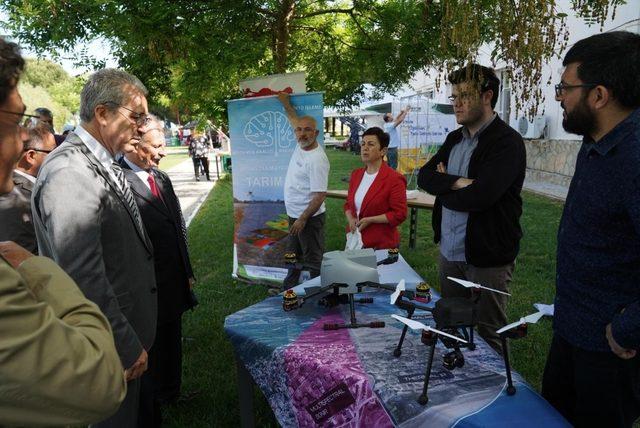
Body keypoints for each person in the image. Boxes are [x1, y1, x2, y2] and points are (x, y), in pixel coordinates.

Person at [0, 36, 126, 426]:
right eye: (15, 120)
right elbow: (99, 381)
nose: (26, 138)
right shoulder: (69, 171)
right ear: (103, 114)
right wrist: (36, 269)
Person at [32, 68, 157, 427]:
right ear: (102, 114)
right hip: (109, 348)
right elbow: (82, 277)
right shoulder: (70, 172)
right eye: (136, 116)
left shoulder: (100, 162)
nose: (141, 126)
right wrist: (124, 344)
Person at [541, 31, 640, 428]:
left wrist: (628, 329)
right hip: (572, 328)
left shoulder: (635, 158)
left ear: (599, 95)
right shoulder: (595, 140)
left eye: (565, 88)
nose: (559, 97)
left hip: (610, 350)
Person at [417, 64, 526, 353]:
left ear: (488, 96)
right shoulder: (454, 138)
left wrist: (445, 186)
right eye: (454, 97)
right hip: (450, 251)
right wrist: (459, 183)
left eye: (465, 95)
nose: (457, 104)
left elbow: (482, 197)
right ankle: (460, 389)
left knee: (488, 333)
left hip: (487, 257)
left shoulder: (506, 142)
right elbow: (425, 177)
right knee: (452, 326)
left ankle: (498, 394)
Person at [120, 116, 198, 426]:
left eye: (164, 145)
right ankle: (154, 398)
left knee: (172, 337)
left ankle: (171, 391)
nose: (163, 152)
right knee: (152, 344)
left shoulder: (161, 178)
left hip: (173, 277)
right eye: (157, 146)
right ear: (134, 144)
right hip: (147, 283)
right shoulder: (119, 181)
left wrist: (187, 268)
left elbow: (178, 226)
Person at [277, 93, 330, 289]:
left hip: (309, 218)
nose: (302, 133)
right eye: (298, 130)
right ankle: (289, 289)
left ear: (316, 133)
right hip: (295, 215)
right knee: (293, 255)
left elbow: (320, 196)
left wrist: (303, 219)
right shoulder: (301, 143)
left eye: (307, 130)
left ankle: (318, 292)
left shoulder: (317, 160)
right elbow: (293, 118)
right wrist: (284, 101)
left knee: (313, 259)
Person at [344, 126, 407, 249]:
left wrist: (371, 220)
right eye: (363, 144)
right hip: (354, 240)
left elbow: (400, 214)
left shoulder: (394, 179)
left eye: (371, 144)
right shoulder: (356, 174)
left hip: (381, 244)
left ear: (383, 151)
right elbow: (348, 204)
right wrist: (351, 218)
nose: (365, 148)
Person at [0, 123, 55, 253]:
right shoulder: (17, 200)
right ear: (30, 156)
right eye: (53, 152)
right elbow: (20, 257)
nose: (60, 157)